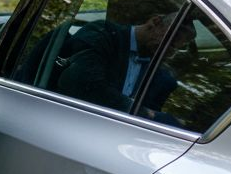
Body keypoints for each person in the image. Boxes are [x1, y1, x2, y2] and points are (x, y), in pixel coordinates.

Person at [56, 8, 196, 119]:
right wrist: (142, 113)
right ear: (155, 22)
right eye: (170, 42)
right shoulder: (102, 33)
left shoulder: (156, 74)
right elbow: (82, 84)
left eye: (177, 48)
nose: (170, 52)